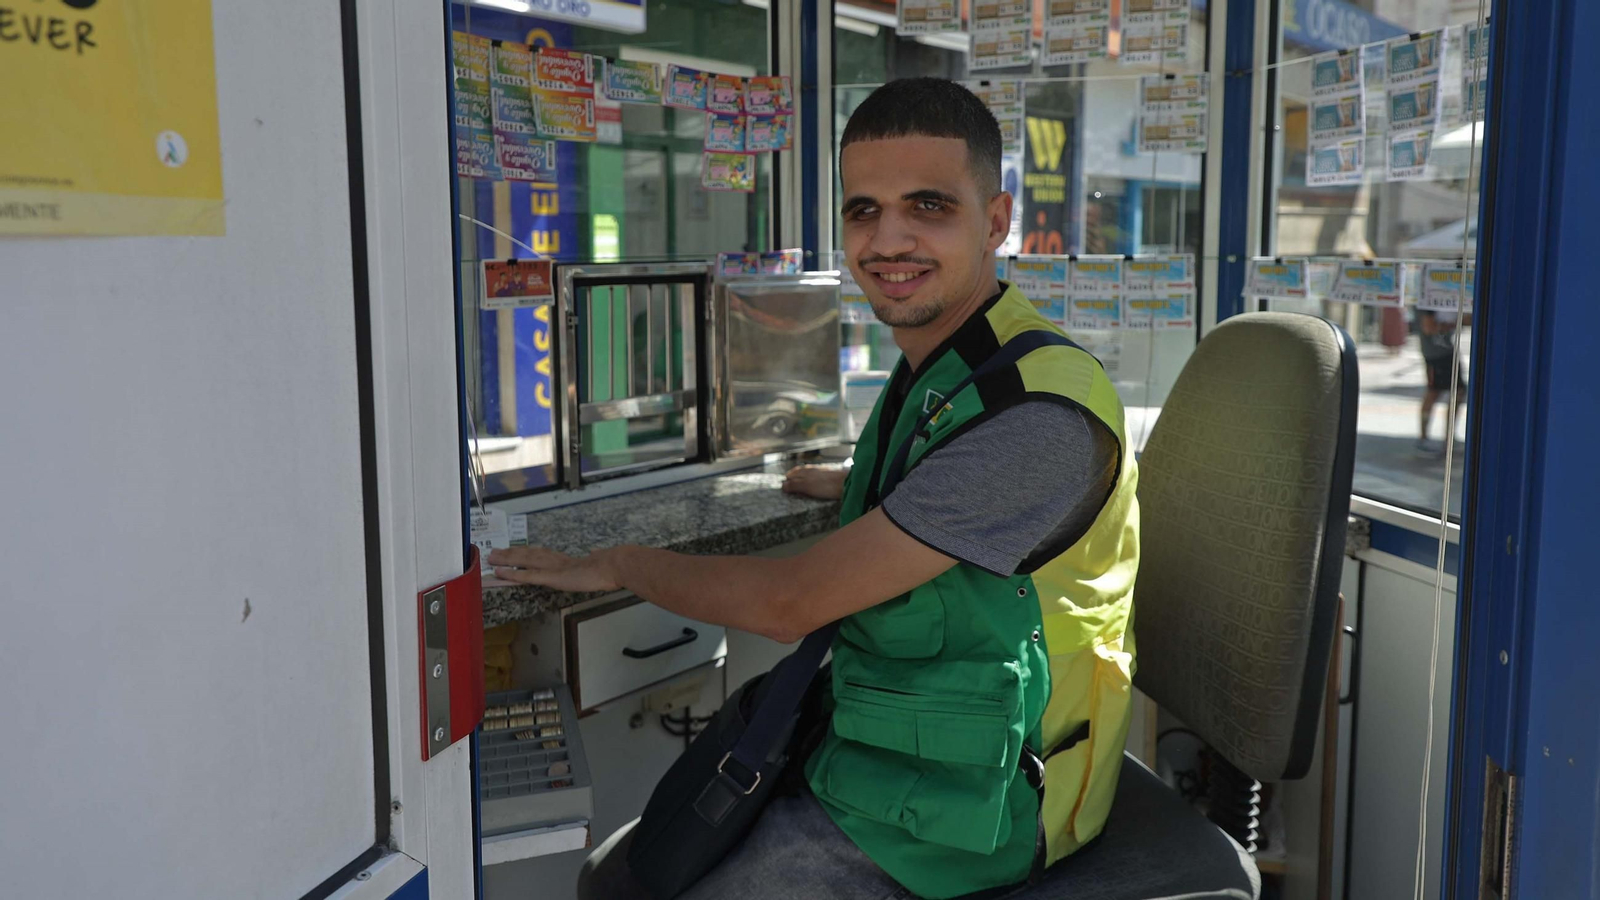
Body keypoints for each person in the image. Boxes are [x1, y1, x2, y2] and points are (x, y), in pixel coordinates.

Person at [489, 77, 1141, 900]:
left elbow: (792, 603)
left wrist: (620, 564)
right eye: (863, 210)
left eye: (929, 206)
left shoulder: (1038, 417)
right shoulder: (954, 363)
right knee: (629, 870)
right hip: (894, 746)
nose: (887, 240)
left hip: (977, 809)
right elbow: (956, 486)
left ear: (998, 221)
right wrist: (859, 484)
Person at [1417, 307, 1466, 454]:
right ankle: (1424, 437)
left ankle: (1448, 436)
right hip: (1435, 354)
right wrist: (1452, 324)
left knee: (1458, 392)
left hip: (1447, 351)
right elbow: (1429, 327)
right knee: (1433, 392)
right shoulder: (1428, 304)